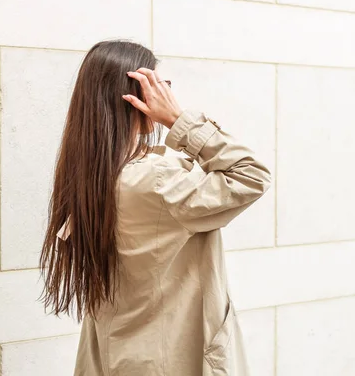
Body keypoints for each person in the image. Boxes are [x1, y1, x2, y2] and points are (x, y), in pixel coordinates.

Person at [39, 40, 271, 376]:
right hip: (169, 360)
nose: (165, 93)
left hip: (116, 358)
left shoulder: (91, 177)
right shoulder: (157, 180)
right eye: (159, 86)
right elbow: (252, 175)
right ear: (135, 97)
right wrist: (179, 120)